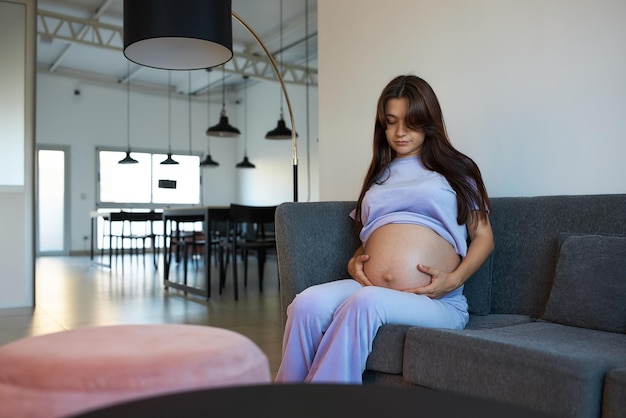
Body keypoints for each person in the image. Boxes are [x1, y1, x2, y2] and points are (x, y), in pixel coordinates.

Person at [275, 74, 494, 384]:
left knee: (366, 302)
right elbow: (373, 234)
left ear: (428, 121)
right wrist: (355, 260)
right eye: (390, 122)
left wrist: (453, 280)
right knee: (305, 305)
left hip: (435, 301)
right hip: (371, 287)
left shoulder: (458, 170)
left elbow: (484, 238)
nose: (400, 132)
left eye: (410, 122)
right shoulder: (380, 175)